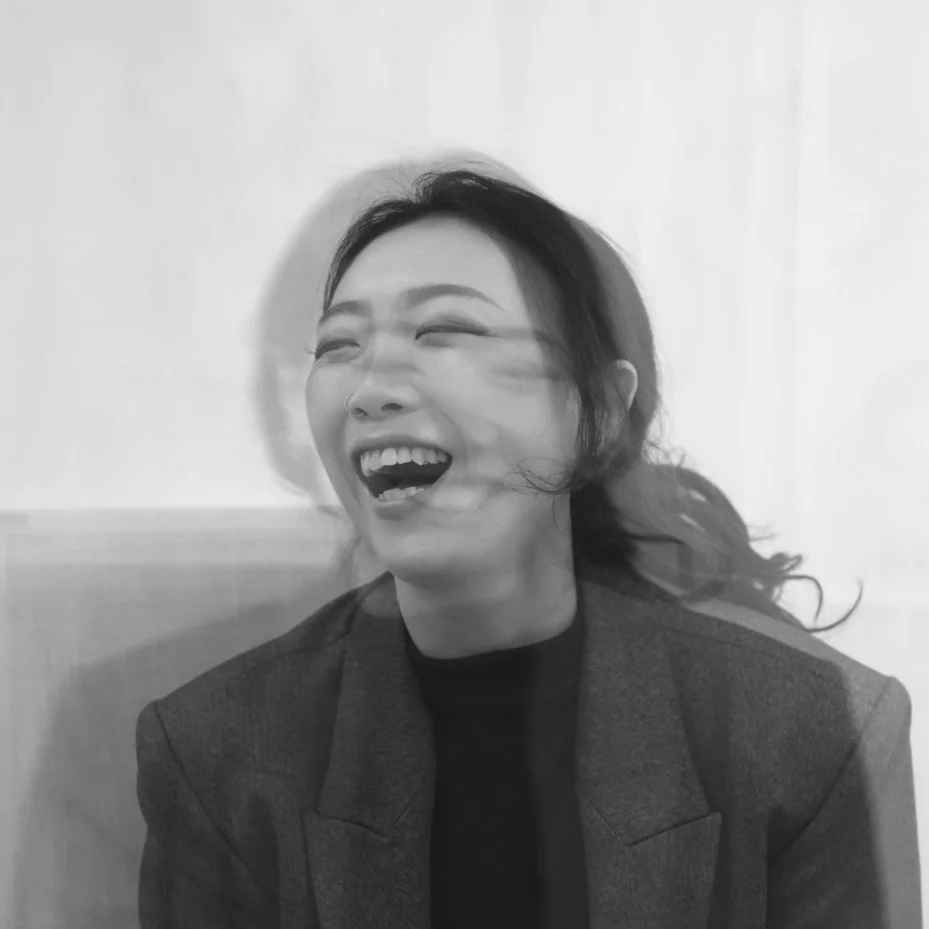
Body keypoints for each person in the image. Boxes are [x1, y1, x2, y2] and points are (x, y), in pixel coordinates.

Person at [135, 157, 922, 928]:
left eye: (444, 328)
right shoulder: (216, 748)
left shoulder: (808, 732)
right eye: (339, 344)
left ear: (599, 412)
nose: (371, 389)